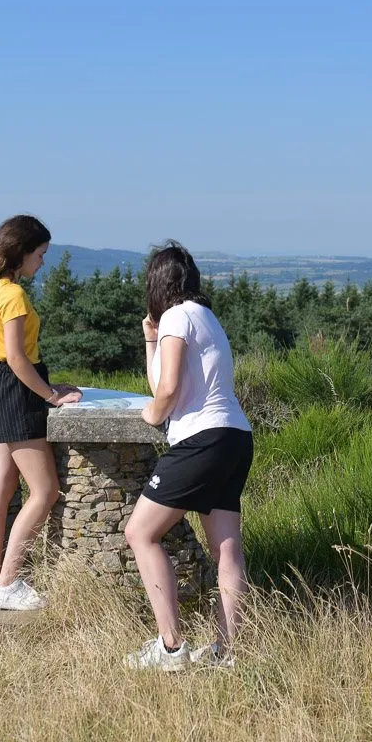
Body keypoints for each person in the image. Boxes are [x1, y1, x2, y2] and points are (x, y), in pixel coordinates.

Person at [123, 241, 253, 671]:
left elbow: (167, 389)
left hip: (201, 439)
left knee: (140, 533)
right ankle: (227, 652)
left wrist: (152, 414)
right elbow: (163, 376)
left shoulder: (177, 316)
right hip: (235, 437)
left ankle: (171, 648)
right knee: (227, 550)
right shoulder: (205, 317)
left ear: (156, 285)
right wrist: (151, 339)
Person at [0, 215, 83, 610]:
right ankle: (8, 582)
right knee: (45, 490)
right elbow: (18, 358)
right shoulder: (14, 295)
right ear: (21, 252)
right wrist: (51, 395)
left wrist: (50, 386)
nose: (43, 261)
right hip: (16, 393)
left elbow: (11, 359)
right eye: (40, 254)